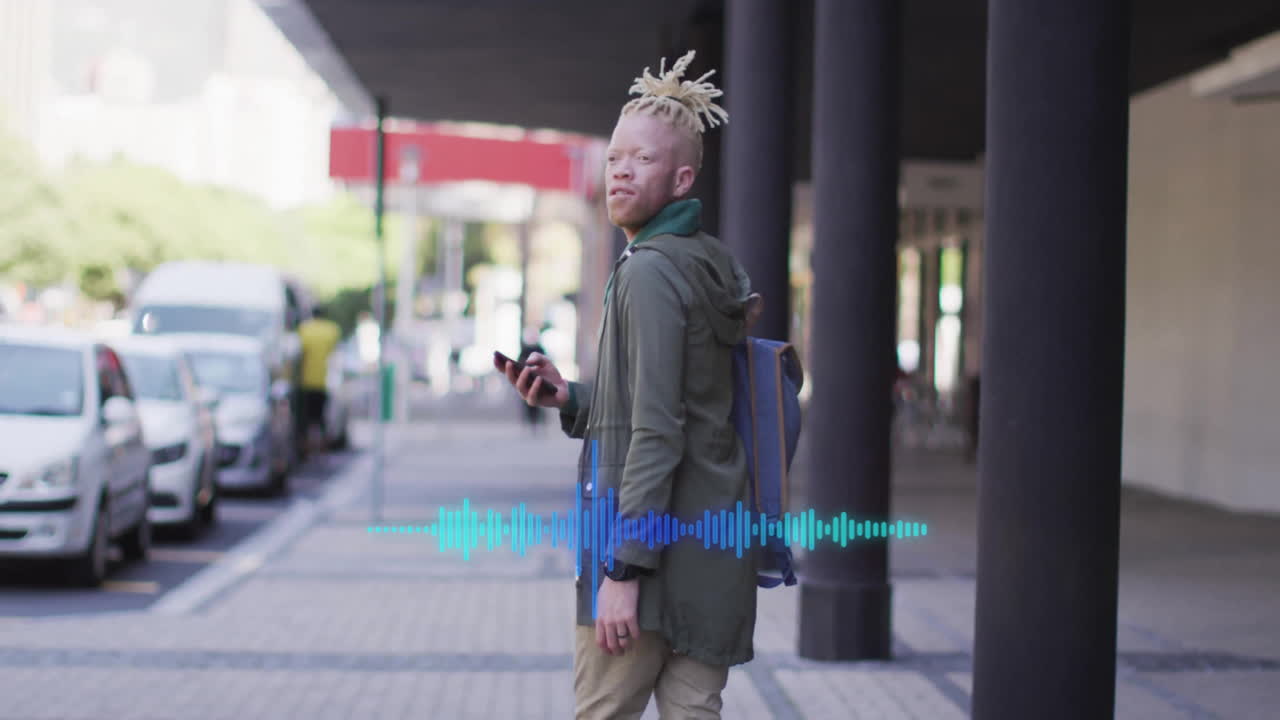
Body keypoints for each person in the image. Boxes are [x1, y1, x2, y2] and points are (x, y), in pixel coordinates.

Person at [497, 50, 754, 719]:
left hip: (649, 564)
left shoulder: (647, 271)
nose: (620, 170)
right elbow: (685, 405)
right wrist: (574, 398)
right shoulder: (709, 262)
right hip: (713, 550)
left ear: (682, 178)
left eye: (642, 159)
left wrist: (623, 570)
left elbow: (657, 430)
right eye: (614, 157)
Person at [296, 304, 341, 456]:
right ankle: (322, 447)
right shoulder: (331, 330)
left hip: (305, 381)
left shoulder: (304, 329)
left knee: (305, 419)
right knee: (320, 418)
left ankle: (306, 448)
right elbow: (334, 353)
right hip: (323, 381)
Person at [516, 329, 548, 433]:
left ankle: (539, 423)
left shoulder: (540, 349)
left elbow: (546, 363)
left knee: (539, 402)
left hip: (538, 379)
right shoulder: (525, 350)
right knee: (527, 402)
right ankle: (529, 423)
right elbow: (519, 362)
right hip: (527, 379)